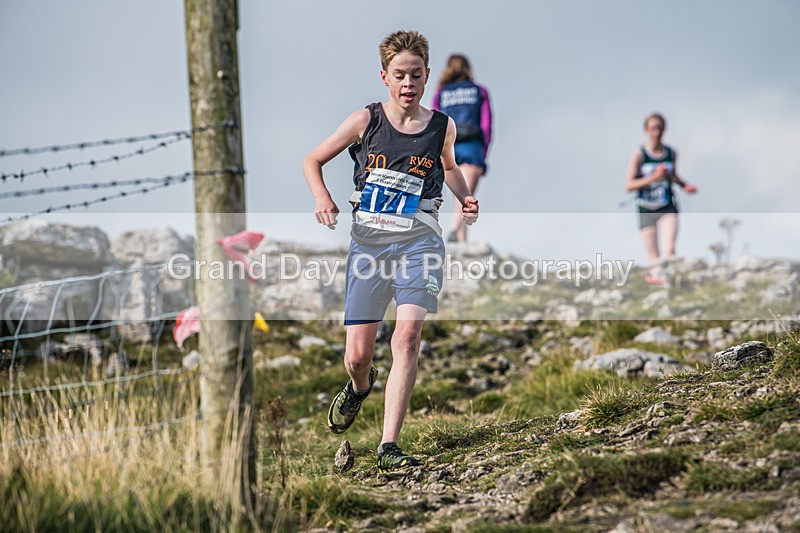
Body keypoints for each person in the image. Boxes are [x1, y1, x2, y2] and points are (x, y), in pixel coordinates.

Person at [302, 30, 479, 472]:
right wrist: (322, 198)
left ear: (426, 77)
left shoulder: (442, 125)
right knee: (358, 356)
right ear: (384, 77)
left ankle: (389, 446)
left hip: (420, 239)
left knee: (407, 337)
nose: (408, 84)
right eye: (399, 75)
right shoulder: (366, 120)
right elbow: (312, 160)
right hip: (370, 244)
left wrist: (464, 197)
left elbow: (451, 167)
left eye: (415, 75)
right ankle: (360, 388)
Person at [624, 113, 697, 284]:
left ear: (664, 129)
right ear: (646, 130)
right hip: (646, 208)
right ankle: (660, 286)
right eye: (653, 128)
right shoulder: (640, 154)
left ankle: (672, 284)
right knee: (654, 258)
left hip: (667, 206)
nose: (656, 132)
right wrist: (653, 177)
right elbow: (628, 185)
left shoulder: (671, 153)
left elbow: (673, 176)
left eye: (659, 128)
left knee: (670, 249)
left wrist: (684, 185)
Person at [431, 54, 492, 243]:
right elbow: (487, 125)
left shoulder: (441, 93)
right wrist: (483, 152)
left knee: (460, 199)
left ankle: (461, 242)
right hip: (472, 145)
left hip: (449, 148)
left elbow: (434, 123)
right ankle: (454, 229)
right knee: (466, 199)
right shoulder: (479, 91)